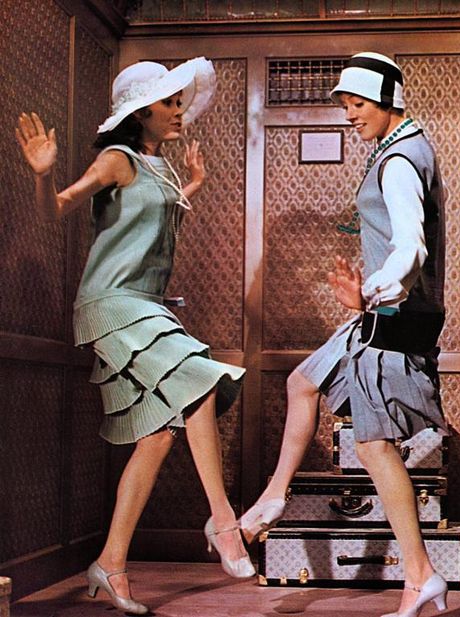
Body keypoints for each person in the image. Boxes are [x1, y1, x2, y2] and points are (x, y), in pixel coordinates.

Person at [16, 58, 254, 616]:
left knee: (160, 434)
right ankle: (223, 521)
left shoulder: (160, 168)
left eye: (179, 100)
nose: (179, 110)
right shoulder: (116, 159)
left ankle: (110, 563)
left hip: (146, 305)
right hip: (111, 304)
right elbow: (56, 210)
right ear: (140, 112)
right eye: (168, 102)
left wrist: (191, 187)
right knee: (200, 380)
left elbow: (152, 222)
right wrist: (43, 174)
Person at [240, 52, 449, 617]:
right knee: (302, 382)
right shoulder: (397, 149)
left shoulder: (400, 160)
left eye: (358, 104)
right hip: (383, 312)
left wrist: (377, 288)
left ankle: (421, 576)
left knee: (374, 447)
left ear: (388, 101)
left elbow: (411, 246)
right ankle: (275, 495)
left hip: (397, 317)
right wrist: (367, 298)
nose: (350, 115)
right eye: (346, 105)